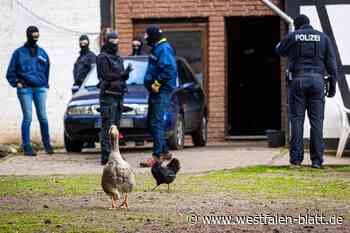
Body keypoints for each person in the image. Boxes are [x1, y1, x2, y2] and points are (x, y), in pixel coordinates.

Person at [276, 15, 338, 169]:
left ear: (297, 26)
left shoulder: (293, 36)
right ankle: (317, 161)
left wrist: (289, 40)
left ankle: (296, 160)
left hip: (298, 81)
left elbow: (279, 50)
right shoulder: (323, 38)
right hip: (317, 81)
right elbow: (332, 65)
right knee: (316, 122)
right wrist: (332, 87)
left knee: (297, 120)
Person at [6, 26, 54, 156]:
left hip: (40, 89)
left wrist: (45, 84)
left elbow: (47, 69)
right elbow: (10, 72)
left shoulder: (42, 53)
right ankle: (27, 147)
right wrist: (16, 83)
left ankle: (47, 145)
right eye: (33, 35)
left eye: (37, 36)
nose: (35, 38)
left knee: (43, 117)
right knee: (27, 117)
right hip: (25, 89)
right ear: (28, 35)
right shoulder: (18, 53)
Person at [139, 25, 177, 167]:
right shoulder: (158, 48)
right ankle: (165, 151)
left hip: (161, 91)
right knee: (153, 122)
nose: (145, 39)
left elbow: (169, 69)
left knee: (156, 122)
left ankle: (157, 156)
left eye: (147, 36)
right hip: (156, 92)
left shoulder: (163, 48)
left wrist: (157, 83)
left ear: (153, 36)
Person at [96, 32, 133, 165]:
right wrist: (121, 75)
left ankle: (115, 155)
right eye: (112, 42)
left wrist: (125, 75)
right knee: (107, 126)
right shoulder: (102, 57)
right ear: (107, 42)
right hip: (108, 96)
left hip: (119, 95)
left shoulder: (118, 58)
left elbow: (120, 76)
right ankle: (106, 157)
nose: (115, 45)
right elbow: (105, 75)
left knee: (116, 128)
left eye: (117, 42)